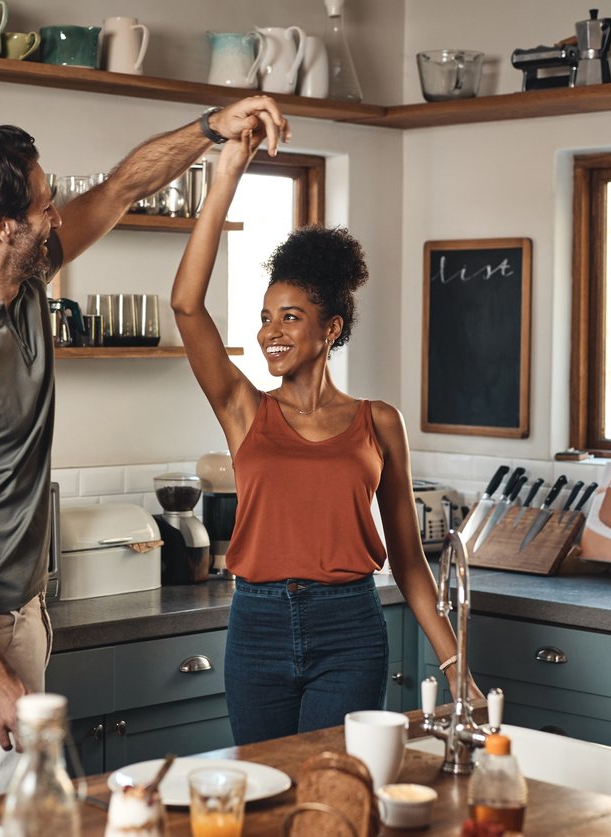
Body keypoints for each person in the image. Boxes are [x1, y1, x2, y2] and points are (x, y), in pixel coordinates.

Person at [0, 99, 290, 808]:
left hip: (19, 612)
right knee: (6, 813)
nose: (58, 214)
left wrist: (208, 131)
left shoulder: (23, 280)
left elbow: (122, 187)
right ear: (1, 225)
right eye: (44, 205)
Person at [170, 132, 482, 745]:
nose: (270, 333)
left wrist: (455, 664)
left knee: (330, 794)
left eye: (290, 317)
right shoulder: (243, 410)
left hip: (350, 628)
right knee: (262, 791)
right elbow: (186, 306)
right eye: (264, 316)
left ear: (330, 328)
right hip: (255, 625)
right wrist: (227, 173)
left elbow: (411, 563)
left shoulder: (378, 422)